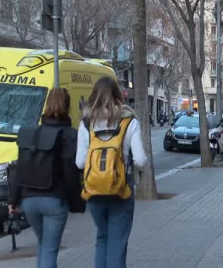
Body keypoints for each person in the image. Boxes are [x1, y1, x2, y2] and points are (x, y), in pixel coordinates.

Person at [8, 88, 84, 268]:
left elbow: (19, 168)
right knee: (50, 249)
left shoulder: (31, 133)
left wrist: (13, 200)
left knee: (43, 244)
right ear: (67, 106)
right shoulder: (70, 134)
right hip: (54, 200)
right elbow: (70, 173)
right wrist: (77, 203)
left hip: (29, 201)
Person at [76, 77, 147, 268]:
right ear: (118, 95)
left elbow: (80, 162)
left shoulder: (86, 123)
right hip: (121, 189)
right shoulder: (128, 121)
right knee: (118, 241)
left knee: (102, 237)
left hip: (93, 191)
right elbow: (140, 160)